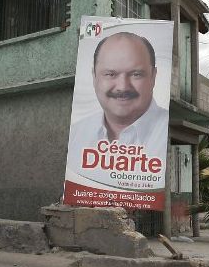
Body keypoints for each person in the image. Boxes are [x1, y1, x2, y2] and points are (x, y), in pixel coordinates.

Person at [67, 31, 169, 172]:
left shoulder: (170, 133)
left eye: (136, 74)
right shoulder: (77, 134)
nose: (122, 87)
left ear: (153, 76)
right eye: (110, 74)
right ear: (94, 76)